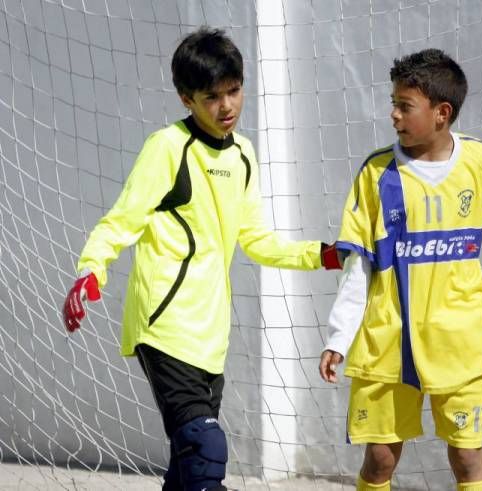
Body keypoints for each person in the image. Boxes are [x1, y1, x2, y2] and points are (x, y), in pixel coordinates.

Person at [62, 27, 339, 491]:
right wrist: (91, 270)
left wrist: (323, 255)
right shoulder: (167, 148)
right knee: (206, 452)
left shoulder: (245, 154)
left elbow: (256, 240)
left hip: (211, 333)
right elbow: (121, 221)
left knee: (188, 468)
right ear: (186, 98)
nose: (227, 106)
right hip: (164, 323)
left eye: (234, 91)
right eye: (212, 96)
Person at [319, 49, 482, 491]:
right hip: (387, 342)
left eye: (404, 105)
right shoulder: (377, 173)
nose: (392, 113)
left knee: (467, 455)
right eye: (393, 102)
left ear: (442, 113)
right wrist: (339, 337)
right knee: (379, 459)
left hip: (459, 341)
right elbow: (358, 267)